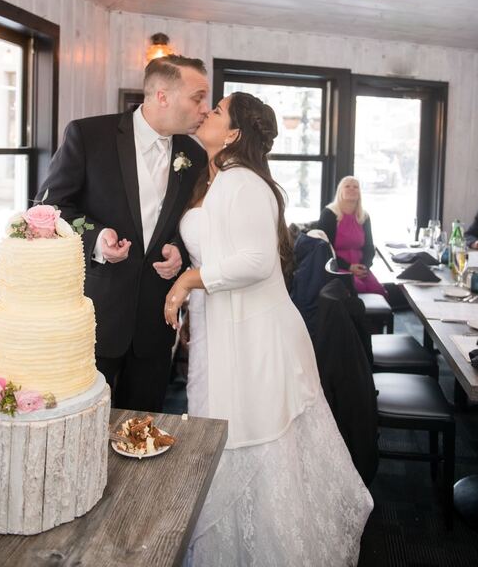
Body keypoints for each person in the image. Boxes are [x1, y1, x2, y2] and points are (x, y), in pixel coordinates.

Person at [164, 93, 373, 566]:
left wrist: (188, 281)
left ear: (235, 133)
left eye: (217, 110)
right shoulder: (212, 178)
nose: (206, 113)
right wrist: (187, 267)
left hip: (254, 336)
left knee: (253, 443)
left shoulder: (247, 183)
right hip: (222, 328)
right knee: (221, 433)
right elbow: (217, 246)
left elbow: (256, 262)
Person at [36, 55, 209, 411]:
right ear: (162, 96)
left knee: (144, 428)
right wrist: (97, 238)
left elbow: (190, 221)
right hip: (96, 315)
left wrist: (179, 249)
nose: (204, 109)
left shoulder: (193, 154)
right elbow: (50, 208)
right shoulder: (88, 135)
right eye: (198, 97)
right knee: (80, 419)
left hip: (155, 323)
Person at [318, 176, 387, 296]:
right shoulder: (328, 214)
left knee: (379, 291)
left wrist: (365, 266)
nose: (352, 189)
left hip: (360, 267)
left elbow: (369, 247)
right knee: (358, 288)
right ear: (340, 191)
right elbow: (325, 250)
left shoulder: (364, 216)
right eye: (347, 186)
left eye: (356, 187)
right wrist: (349, 267)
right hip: (337, 267)